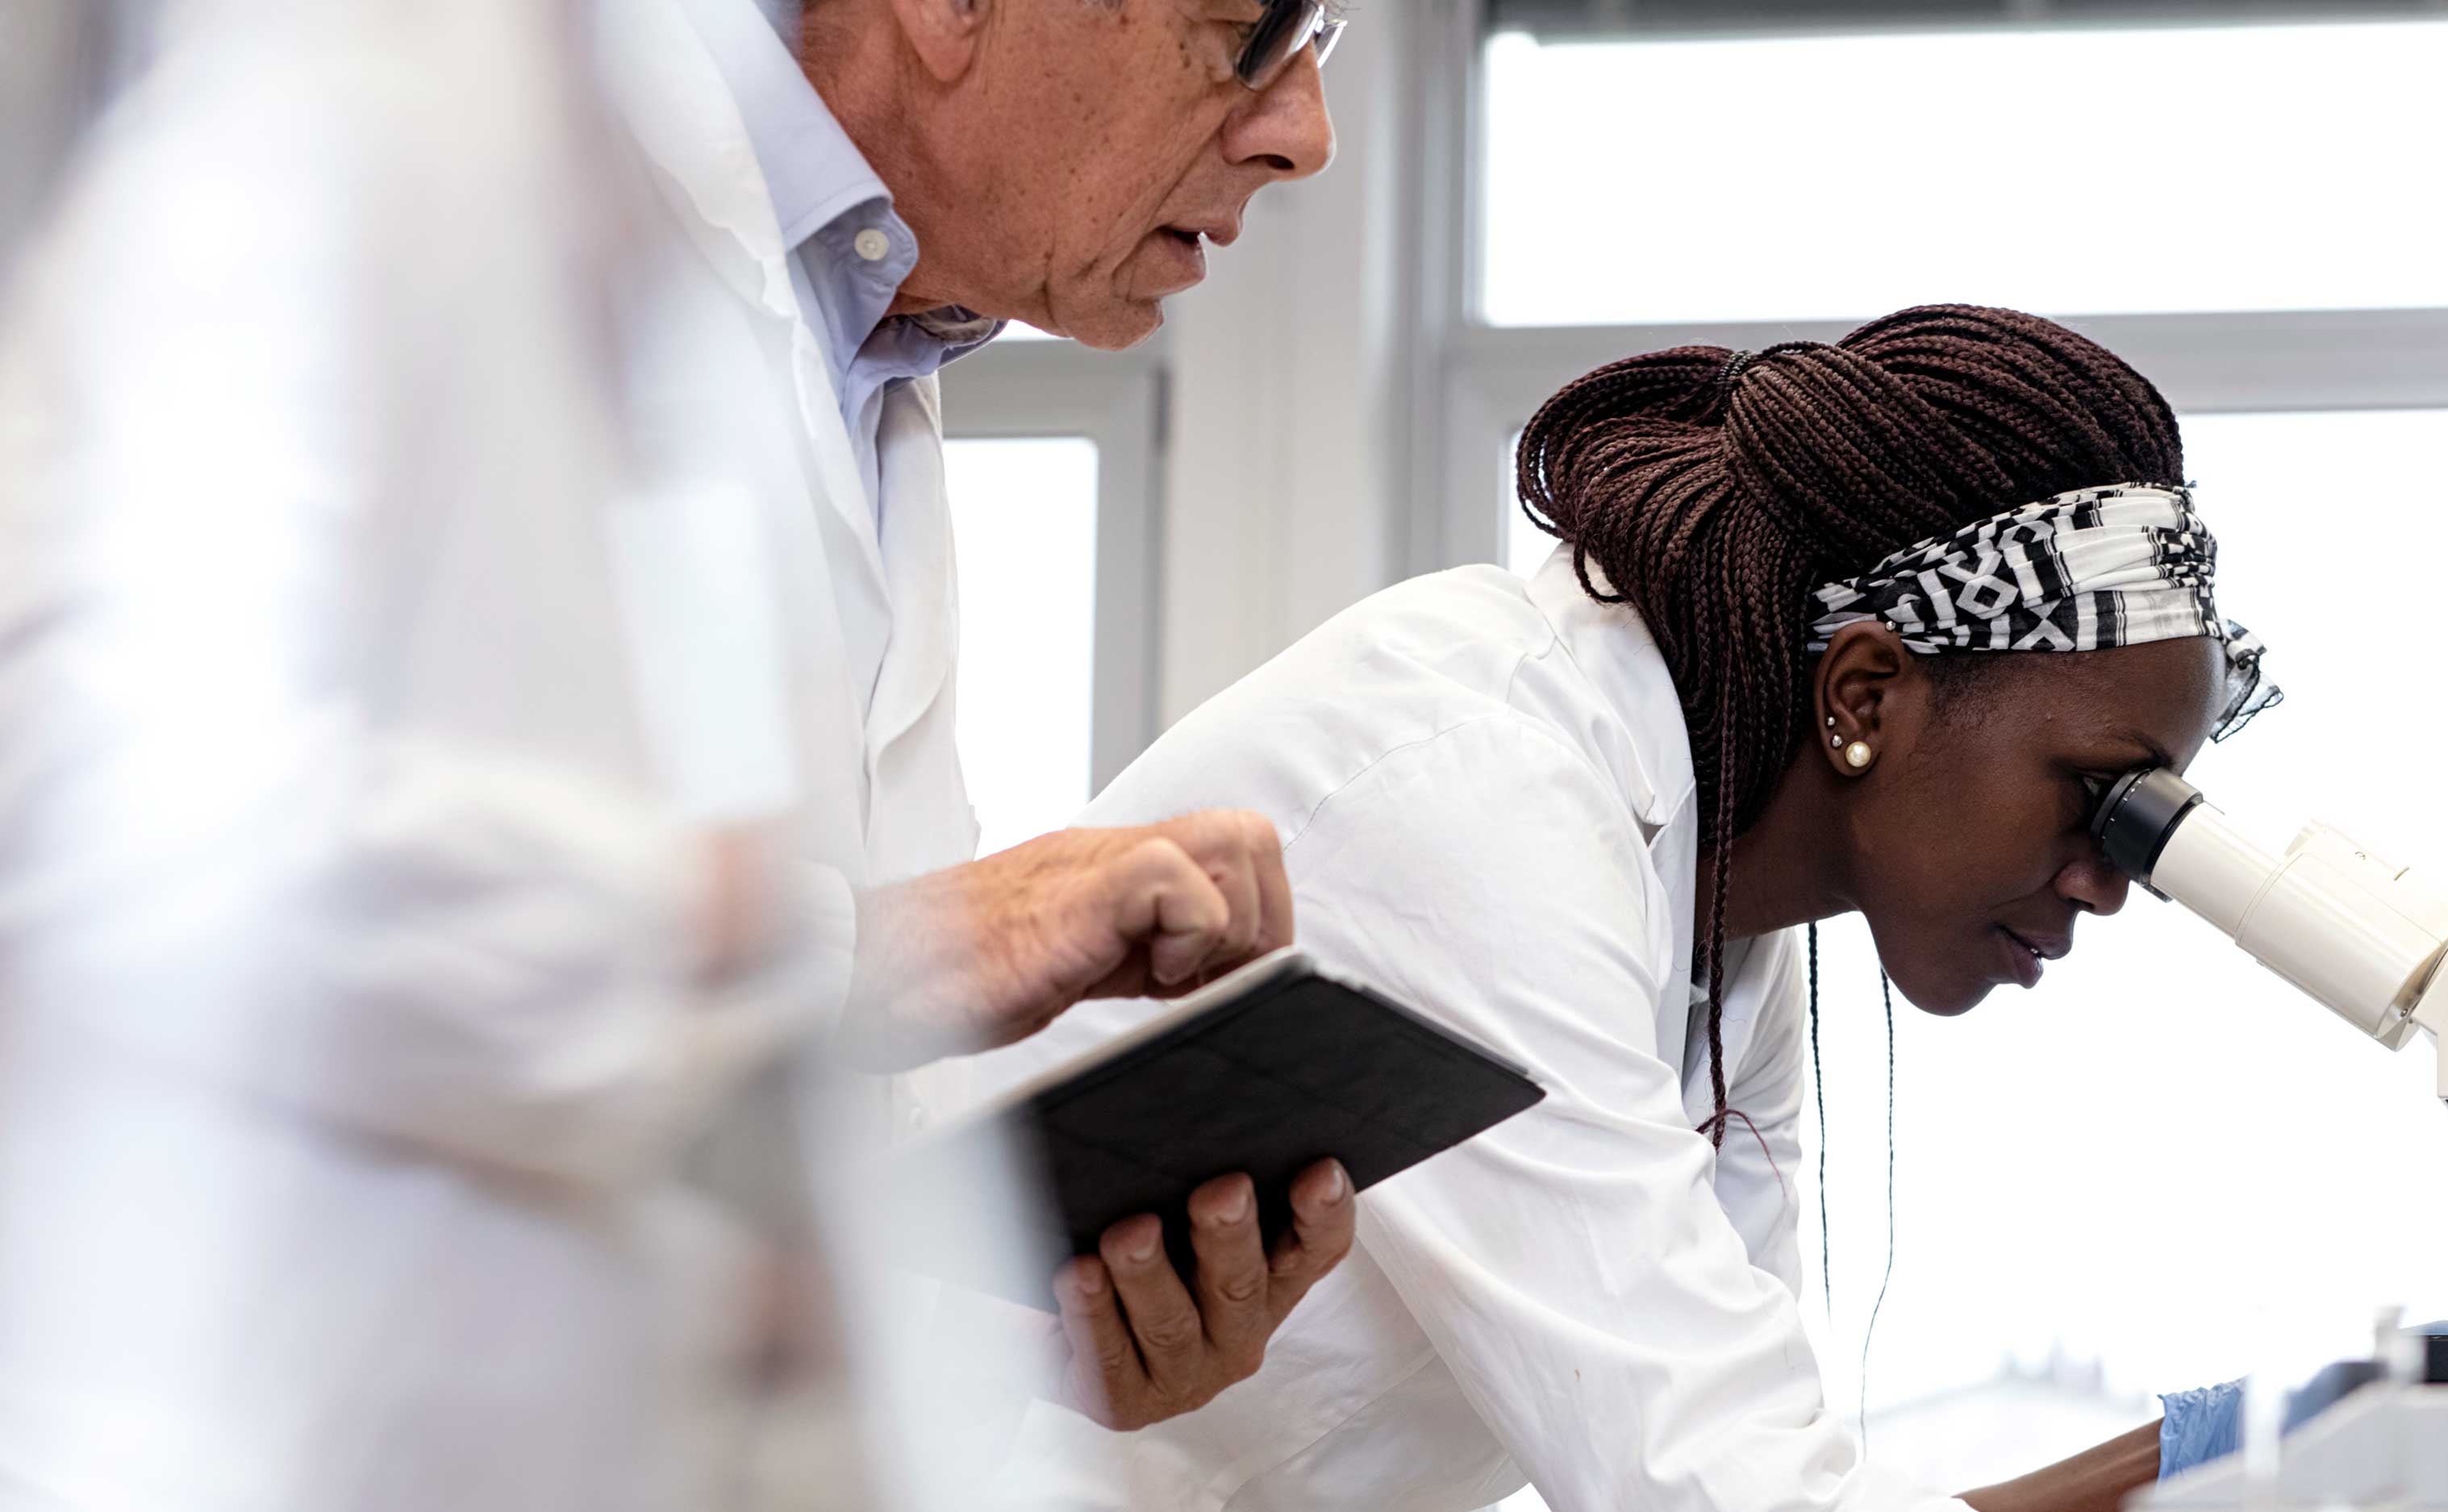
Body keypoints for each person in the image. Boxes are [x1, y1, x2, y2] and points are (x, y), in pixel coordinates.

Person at [947, 304, 2281, 1512]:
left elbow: (1763, 1458)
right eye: (2097, 796)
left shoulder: (1727, 935)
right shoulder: (1474, 795)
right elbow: (1720, 1492)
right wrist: (2232, 1458)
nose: (2110, 882)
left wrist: (2199, 1464)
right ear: (1866, 696)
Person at [627, 0, 1363, 1423]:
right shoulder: (486, 191)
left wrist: (1020, 1352)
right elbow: (237, 883)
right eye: (1260, 23)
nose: (1304, 133)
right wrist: (905, 949)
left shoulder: (877, 337)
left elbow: (714, 1152)